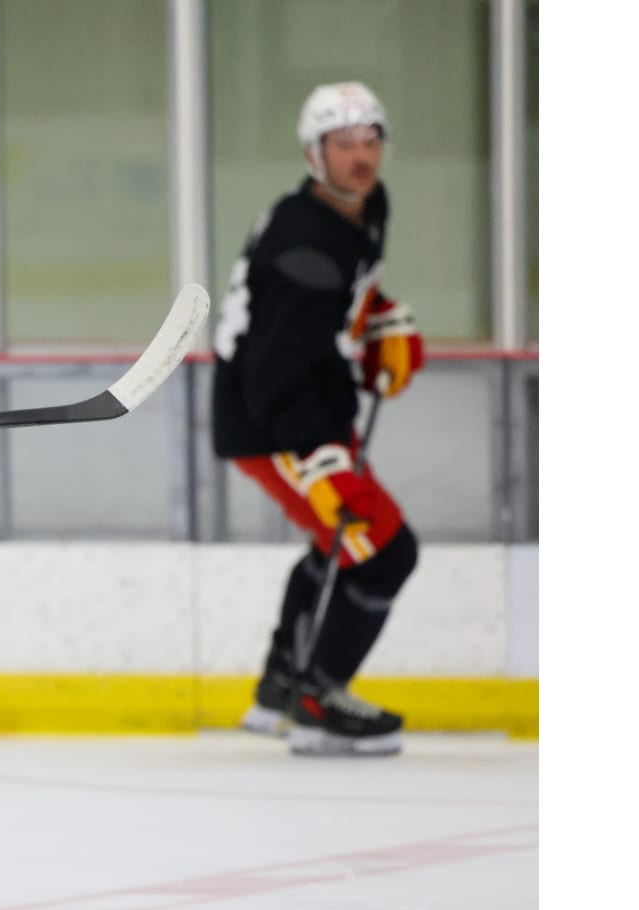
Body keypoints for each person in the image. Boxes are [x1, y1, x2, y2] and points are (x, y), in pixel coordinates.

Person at [211, 82, 425, 757]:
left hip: (309, 406)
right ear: (313, 154)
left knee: (341, 549)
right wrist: (317, 457)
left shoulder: (364, 206)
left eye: (370, 140)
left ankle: (281, 685)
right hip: (274, 421)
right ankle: (317, 698)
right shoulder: (302, 240)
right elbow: (273, 364)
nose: (361, 155)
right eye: (342, 144)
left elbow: (338, 299)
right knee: (383, 553)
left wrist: (378, 317)